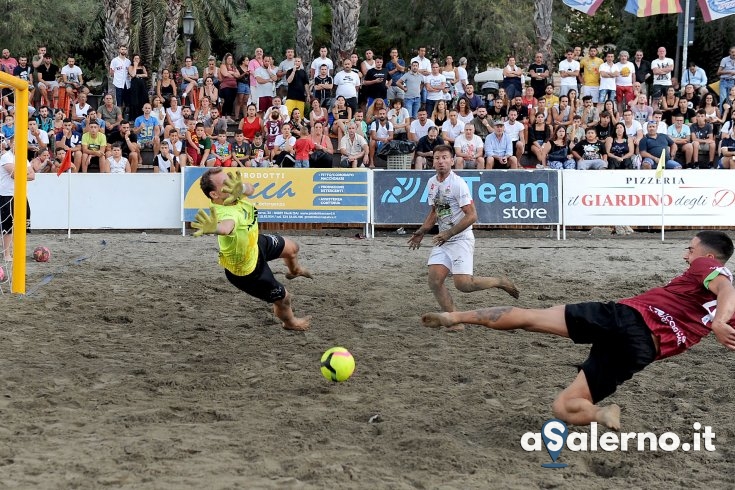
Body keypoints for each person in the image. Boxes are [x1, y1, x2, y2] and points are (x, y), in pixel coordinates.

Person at [421, 230, 735, 430]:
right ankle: (601, 415)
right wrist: (721, 322)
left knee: (531, 318)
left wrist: (718, 322)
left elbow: (724, 288)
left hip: (627, 317)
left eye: (690, 249)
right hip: (642, 350)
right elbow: (726, 298)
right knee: (564, 406)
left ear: (706, 255)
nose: (686, 255)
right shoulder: (728, 304)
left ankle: (457, 316)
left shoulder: (709, 267)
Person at [408, 144, 518, 331]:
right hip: (444, 239)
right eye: (437, 158)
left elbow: (472, 215)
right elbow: (435, 211)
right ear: (432, 161)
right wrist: (421, 231)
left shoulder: (458, 184)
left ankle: (500, 282)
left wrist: (449, 233)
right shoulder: (432, 183)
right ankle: (455, 321)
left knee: (464, 285)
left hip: (460, 238)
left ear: (452, 161)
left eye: (444, 158)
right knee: (434, 281)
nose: (440, 161)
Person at [192, 168, 311, 331]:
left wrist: (240, 188)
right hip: (247, 270)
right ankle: (289, 323)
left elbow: (251, 188)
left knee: (292, 248)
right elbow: (226, 227)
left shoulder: (234, 194)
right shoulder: (225, 212)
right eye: (225, 183)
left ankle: (294, 270)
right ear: (214, 194)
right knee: (284, 299)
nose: (231, 184)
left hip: (254, 243)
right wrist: (214, 228)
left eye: (229, 179)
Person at [0, 149, 35, 261]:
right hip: (7, 195)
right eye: (14, 143)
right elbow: (14, 175)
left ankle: (19, 252)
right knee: (8, 227)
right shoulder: (6, 157)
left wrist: (21, 173)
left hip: (21, 195)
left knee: (24, 224)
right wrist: (25, 172)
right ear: (11, 144)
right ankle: (6, 254)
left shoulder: (23, 158)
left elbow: (33, 176)